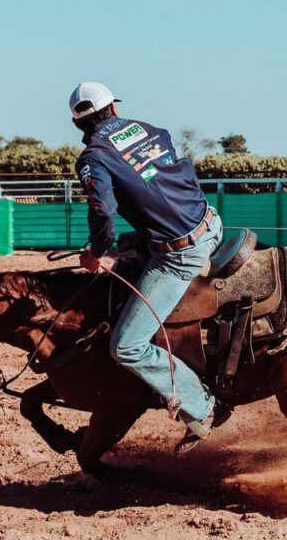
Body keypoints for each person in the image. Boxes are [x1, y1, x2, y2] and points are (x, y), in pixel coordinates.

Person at [69, 82, 224, 454]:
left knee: (126, 346)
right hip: (211, 222)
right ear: (114, 109)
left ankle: (202, 407)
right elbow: (158, 184)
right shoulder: (150, 129)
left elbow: (103, 210)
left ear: (77, 124)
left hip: (180, 254)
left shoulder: (93, 157)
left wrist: (97, 251)